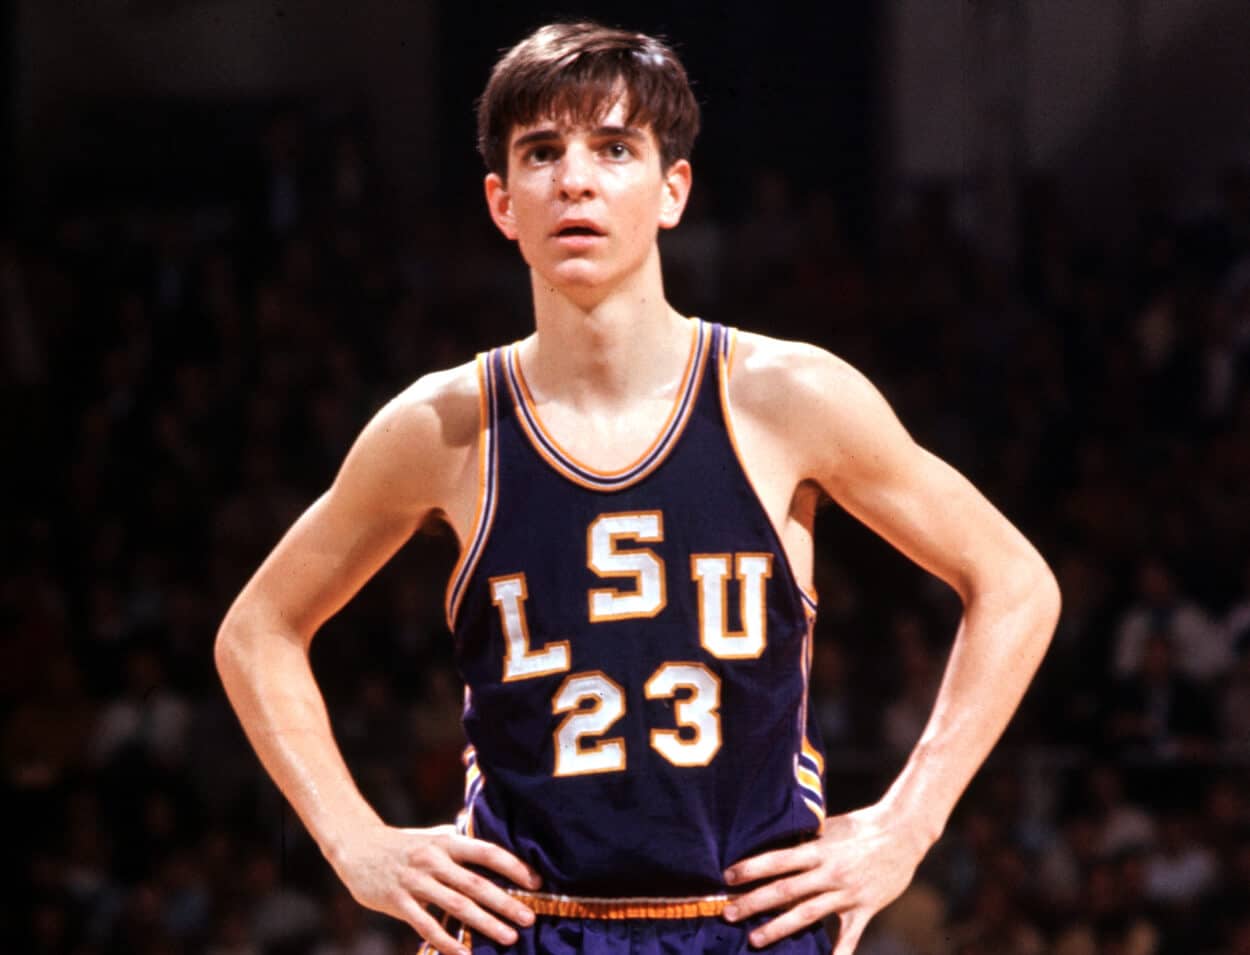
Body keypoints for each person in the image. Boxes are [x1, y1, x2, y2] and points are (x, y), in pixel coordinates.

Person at [214, 21, 1061, 955]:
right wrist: (353, 840)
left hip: (744, 921)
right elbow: (257, 630)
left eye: (613, 149)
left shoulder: (787, 396)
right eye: (542, 153)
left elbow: (1016, 582)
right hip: (524, 926)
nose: (574, 179)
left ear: (673, 190)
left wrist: (910, 821)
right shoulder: (443, 426)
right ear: (502, 202)